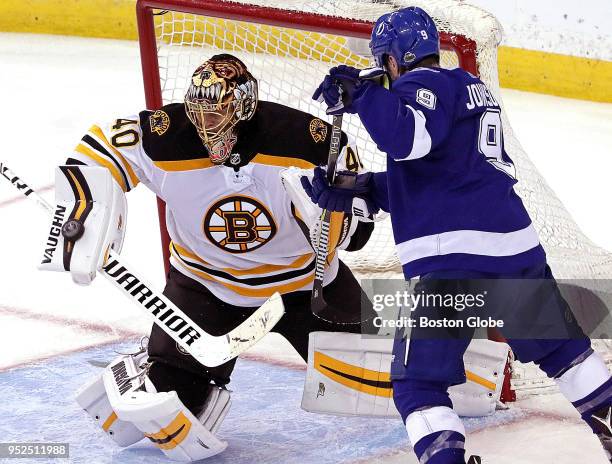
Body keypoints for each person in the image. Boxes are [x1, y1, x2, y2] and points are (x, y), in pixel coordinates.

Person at [304, 7, 612, 464]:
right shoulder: (468, 87)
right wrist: (361, 190)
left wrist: (364, 95)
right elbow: (439, 175)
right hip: (514, 251)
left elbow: (406, 137)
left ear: (393, 58)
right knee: (564, 352)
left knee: (418, 384)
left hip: (453, 265)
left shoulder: (419, 86)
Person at [56, 54, 376, 461]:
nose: (206, 125)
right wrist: (85, 209)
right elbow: (99, 148)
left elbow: (360, 227)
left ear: (243, 107)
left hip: (305, 287)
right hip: (204, 289)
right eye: (200, 112)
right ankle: (158, 364)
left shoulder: (305, 139)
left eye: (218, 113)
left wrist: (336, 221)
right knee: (170, 415)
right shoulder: (166, 136)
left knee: (381, 381)